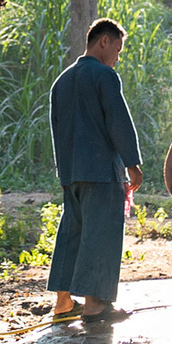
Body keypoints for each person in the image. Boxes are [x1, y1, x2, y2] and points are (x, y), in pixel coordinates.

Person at [48, 18, 143, 322]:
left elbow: (57, 129)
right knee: (100, 235)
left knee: (72, 233)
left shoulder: (61, 81)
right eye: (117, 48)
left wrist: (65, 172)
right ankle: (94, 306)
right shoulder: (105, 77)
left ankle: (63, 303)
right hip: (101, 172)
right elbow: (118, 121)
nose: (117, 56)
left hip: (71, 172)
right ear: (104, 41)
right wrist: (132, 163)